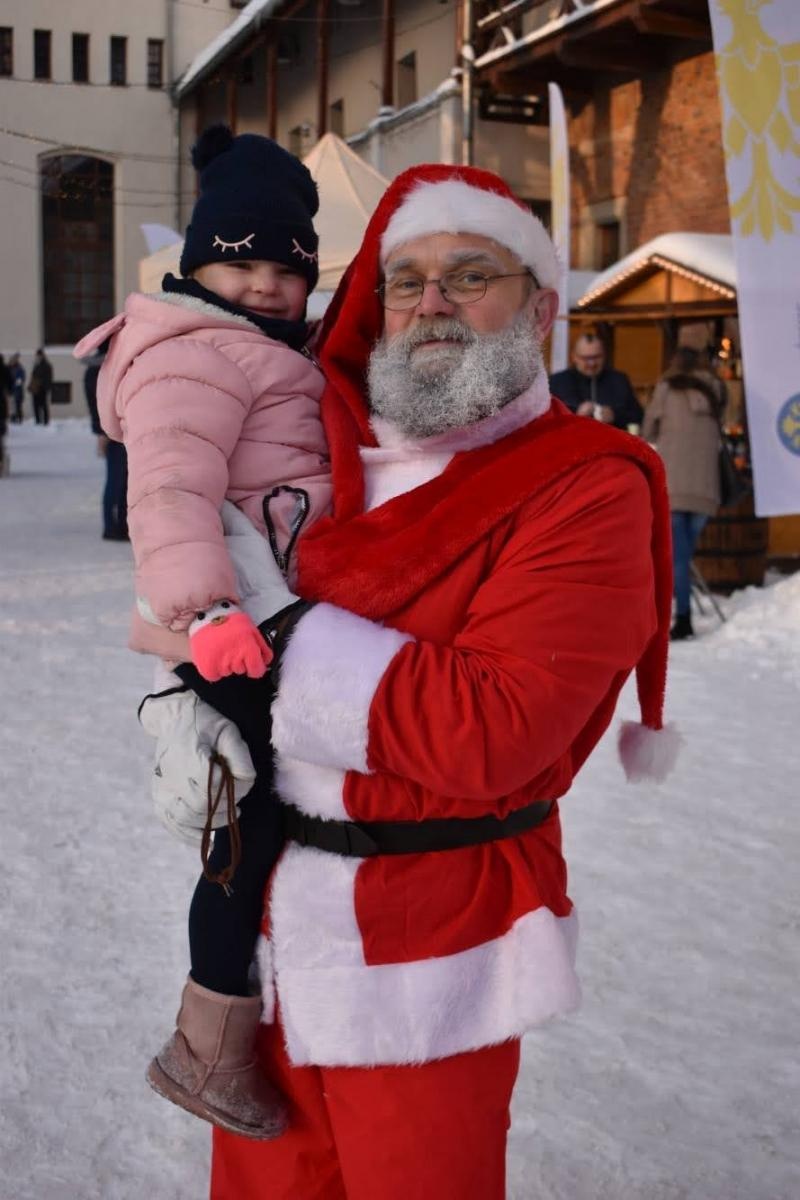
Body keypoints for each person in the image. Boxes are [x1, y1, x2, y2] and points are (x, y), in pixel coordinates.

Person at [139, 163, 678, 1199]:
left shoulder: (584, 486)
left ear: (540, 307)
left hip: (432, 954)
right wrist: (180, 705)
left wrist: (266, 641)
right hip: (269, 949)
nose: (430, 301)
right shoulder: (312, 448)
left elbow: (495, 728)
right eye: (403, 279)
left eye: (469, 273)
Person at [72, 124, 332, 1140]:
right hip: (233, 626)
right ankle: (209, 1049)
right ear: (196, 265)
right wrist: (209, 618)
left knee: (262, 820)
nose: (265, 286)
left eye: (285, 270)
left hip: (262, 616)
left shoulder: (252, 348)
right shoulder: (196, 355)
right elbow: (171, 494)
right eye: (240, 263)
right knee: (247, 828)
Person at [642, 346, 723, 640]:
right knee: (682, 553)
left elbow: (648, 430)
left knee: (677, 556)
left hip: (674, 486)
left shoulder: (665, 389)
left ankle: (684, 619)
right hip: (707, 489)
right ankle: (683, 610)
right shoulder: (716, 388)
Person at [550, 332, 643, 430]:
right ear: (574, 357)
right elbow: (549, 419)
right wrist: (575, 415)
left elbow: (638, 417)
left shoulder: (619, 380)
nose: (591, 363)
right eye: (586, 358)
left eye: (596, 357)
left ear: (604, 355)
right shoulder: (558, 382)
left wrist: (614, 415)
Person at [83, 347, 129, 540]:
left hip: (115, 430)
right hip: (111, 432)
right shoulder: (99, 373)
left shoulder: (100, 371)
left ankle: (120, 525)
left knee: (122, 481)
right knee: (116, 481)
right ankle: (112, 527)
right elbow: (99, 405)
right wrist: (103, 431)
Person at [28, 348, 53, 425]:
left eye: (39, 355)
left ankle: (45, 421)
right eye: (37, 355)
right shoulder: (36, 365)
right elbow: (33, 376)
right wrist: (31, 385)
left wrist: (45, 386)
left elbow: (48, 377)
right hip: (36, 388)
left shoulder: (46, 365)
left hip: (42, 388)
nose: (38, 357)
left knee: (43, 405)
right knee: (35, 405)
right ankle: (38, 420)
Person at [8, 353, 25, 423]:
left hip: (17, 390)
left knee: (18, 405)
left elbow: (21, 378)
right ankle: (13, 417)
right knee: (11, 405)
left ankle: (19, 417)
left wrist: (16, 384)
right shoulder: (8, 368)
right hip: (10, 389)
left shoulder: (20, 368)